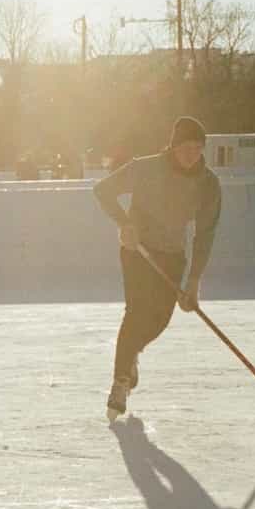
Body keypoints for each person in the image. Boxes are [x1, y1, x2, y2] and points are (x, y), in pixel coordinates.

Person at [93, 116, 222, 421]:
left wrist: (194, 280)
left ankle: (131, 354)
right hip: (137, 251)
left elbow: (206, 233)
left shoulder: (208, 183)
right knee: (137, 312)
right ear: (173, 146)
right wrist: (125, 223)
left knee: (160, 319)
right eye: (185, 147)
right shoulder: (145, 167)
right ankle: (121, 382)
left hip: (172, 255)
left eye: (198, 148)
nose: (192, 154)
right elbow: (103, 190)